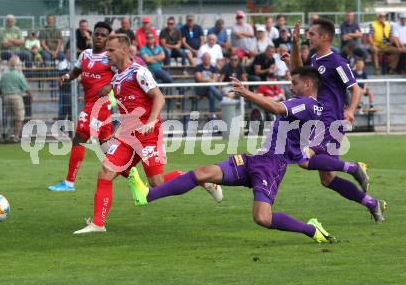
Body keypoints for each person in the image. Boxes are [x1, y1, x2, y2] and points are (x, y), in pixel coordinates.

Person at [127, 67, 339, 243]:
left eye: (294, 83)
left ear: (308, 85)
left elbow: (275, 107)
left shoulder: (306, 104)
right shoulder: (309, 105)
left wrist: (247, 94)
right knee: (202, 173)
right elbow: (291, 88)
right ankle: (147, 196)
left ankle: (310, 229)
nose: (291, 87)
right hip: (257, 160)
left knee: (262, 218)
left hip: (271, 167)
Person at [73, 34, 222, 234]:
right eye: (106, 50)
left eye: (111, 50)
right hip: (127, 137)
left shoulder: (139, 72)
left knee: (157, 184)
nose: (106, 54)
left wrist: (151, 121)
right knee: (105, 172)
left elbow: (158, 97)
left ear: (124, 51)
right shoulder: (117, 77)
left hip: (148, 135)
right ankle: (98, 223)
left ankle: (201, 179)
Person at [291, 18, 386, 223]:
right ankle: (371, 203)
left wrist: (351, 109)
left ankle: (353, 168)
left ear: (325, 37)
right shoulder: (316, 60)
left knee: (304, 159)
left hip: (329, 120)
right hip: (319, 119)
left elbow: (356, 88)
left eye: (312, 34)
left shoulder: (337, 62)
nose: (308, 36)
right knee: (327, 179)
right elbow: (299, 72)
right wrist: (295, 44)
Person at [48, 22, 115, 192]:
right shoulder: (85, 55)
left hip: (98, 106)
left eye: (103, 35)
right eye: (97, 34)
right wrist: (66, 76)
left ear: (108, 39)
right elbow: (76, 72)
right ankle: (133, 176)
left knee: (79, 139)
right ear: (92, 36)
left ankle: (69, 183)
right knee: (107, 148)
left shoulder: (110, 57)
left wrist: (110, 85)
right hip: (92, 105)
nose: (99, 37)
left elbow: (123, 74)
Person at [0, 55, 30, 141]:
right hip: (16, 97)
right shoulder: (19, 75)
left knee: (10, 117)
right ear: (17, 65)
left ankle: (10, 134)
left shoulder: (4, 76)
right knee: (19, 117)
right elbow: (26, 88)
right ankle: (15, 136)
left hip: (6, 97)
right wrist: (31, 96)